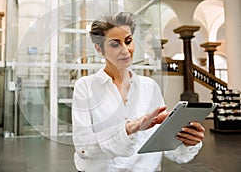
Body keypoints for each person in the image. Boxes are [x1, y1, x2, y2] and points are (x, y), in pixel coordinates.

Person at [71, 12, 205, 172]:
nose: (125, 50)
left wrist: (187, 141)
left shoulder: (150, 87)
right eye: (115, 44)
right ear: (99, 49)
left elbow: (165, 146)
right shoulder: (85, 87)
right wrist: (127, 130)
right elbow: (83, 146)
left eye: (128, 41)